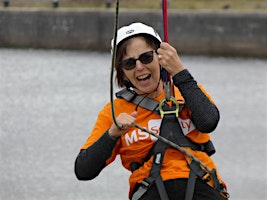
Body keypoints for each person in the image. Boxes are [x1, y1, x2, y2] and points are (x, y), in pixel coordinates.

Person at [74, 22, 229, 200]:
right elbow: (83, 170)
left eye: (146, 57)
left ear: (160, 58)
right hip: (150, 189)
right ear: (122, 73)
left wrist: (179, 71)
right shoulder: (114, 112)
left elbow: (209, 121)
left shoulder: (187, 92)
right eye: (129, 63)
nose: (139, 67)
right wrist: (113, 134)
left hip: (201, 185)